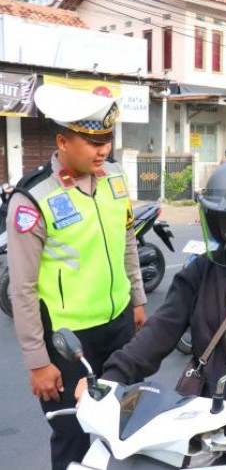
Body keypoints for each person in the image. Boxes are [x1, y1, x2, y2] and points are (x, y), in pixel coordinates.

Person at [76, 158, 226, 469]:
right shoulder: (203, 269)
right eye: (224, 220)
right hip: (209, 419)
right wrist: (111, 379)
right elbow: (161, 328)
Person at [7, 84, 147, 470]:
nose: (102, 149)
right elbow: (22, 288)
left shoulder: (115, 177)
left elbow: (127, 241)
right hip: (68, 342)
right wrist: (38, 361)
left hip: (118, 326)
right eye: (91, 140)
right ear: (62, 141)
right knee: (73, 437)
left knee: (119, 425)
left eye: (106, 138)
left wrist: (137, 299)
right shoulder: (33, 198)